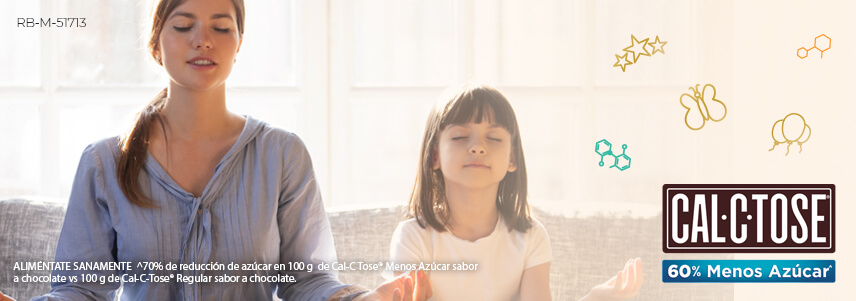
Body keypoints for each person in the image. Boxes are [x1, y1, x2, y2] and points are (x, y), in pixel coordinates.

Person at [14, 0, 432, 300]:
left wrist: (356, 299)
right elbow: (80, 289)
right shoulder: (104, 163)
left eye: (220, 26)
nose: (203, 40)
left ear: (239, 43)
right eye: (183, 26)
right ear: (156, 44)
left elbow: (306, 280)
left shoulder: (282, 155)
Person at [389, 84, 643, 300]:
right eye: (460, 137)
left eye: (494, 138)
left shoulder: (530, 238)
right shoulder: (413, 238)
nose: (477, 147)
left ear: (512, 158)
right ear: (435, 155)